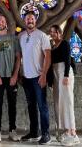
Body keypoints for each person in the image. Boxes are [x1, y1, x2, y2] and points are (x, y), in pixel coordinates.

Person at [18, 11, 52, 145]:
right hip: (26, 77)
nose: (30, 21)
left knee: (42, 106)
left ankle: (46, 134)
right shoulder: (21, 36)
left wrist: (43, 75)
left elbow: (48, 57)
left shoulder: (42, 36)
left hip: (38, 77)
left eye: (32, 18)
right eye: (27, 19)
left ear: (35, 21)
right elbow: (20, 57)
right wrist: (20, 73)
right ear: (24, 21)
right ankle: (34, 132)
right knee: (31, 106)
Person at [0, 15, 22, 142]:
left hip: (11, 77)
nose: (0, 22)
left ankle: (12, 130)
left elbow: (18, 57)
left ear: (6, 23)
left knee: (12, 105)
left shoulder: (14, 38)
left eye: (2, 20)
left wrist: (15, 75)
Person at [49, 25, 79, 146]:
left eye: (54, 32)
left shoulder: (64, 43)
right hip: (56, 74)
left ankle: (73, 133)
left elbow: (67, 60)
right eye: (50, 32)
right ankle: (65, 130)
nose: (52, 34)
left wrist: (66, 76)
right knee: (59, 103)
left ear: (59, 33)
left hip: (64, 73)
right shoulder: (53, 46)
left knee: (67, 102)